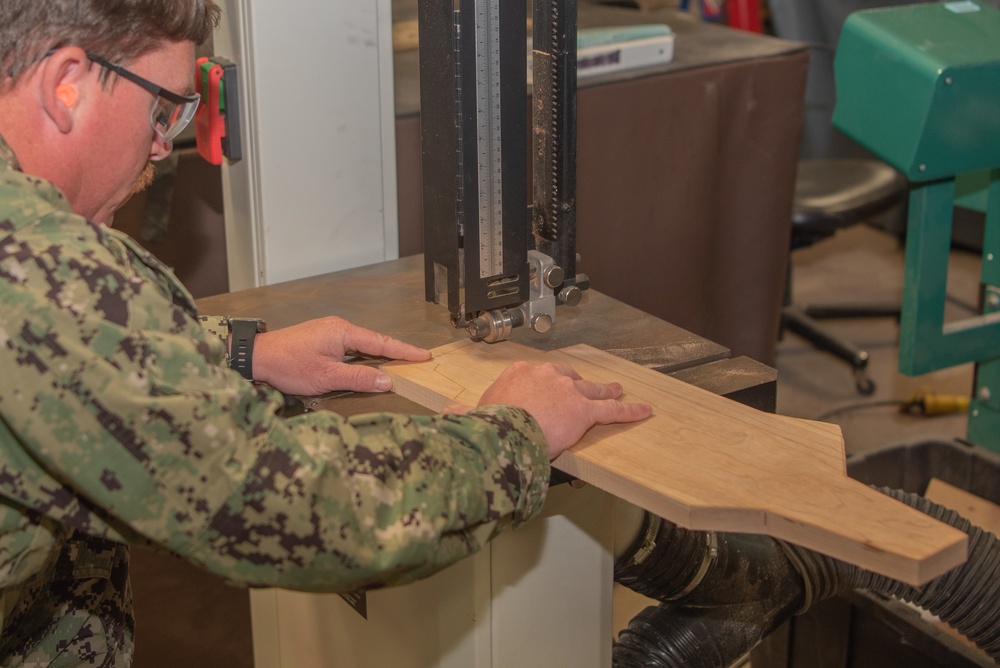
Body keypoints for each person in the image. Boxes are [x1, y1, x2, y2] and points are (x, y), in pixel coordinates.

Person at [0, 0, 652, 664]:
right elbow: (285, 503)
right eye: (162, 107)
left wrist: (229, 350)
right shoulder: (40, 262)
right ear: (66, 85)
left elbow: (49, 350)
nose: (165, 143)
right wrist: (518, 435)